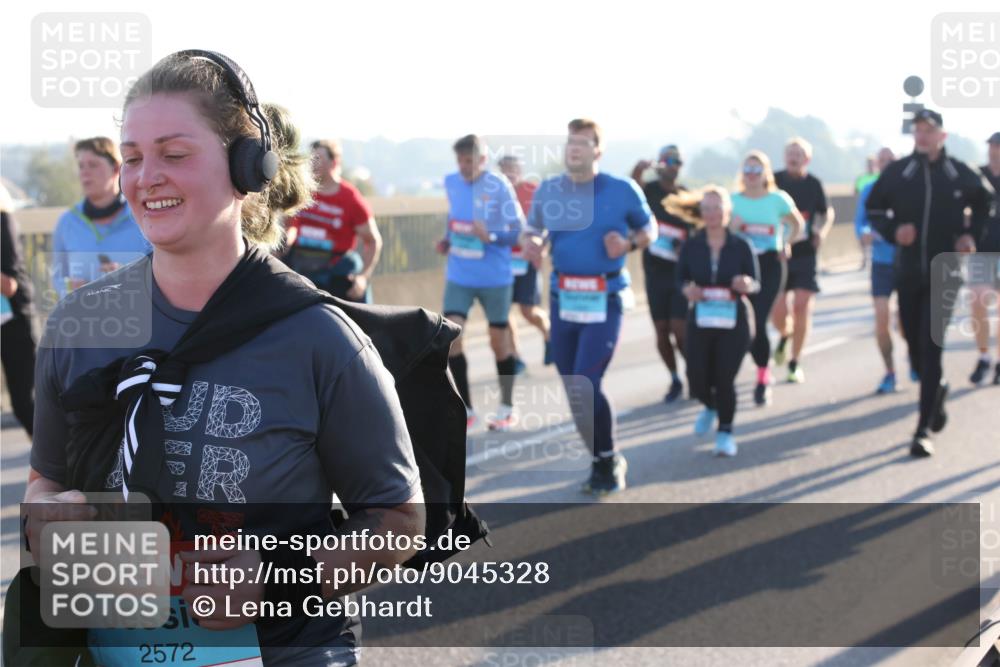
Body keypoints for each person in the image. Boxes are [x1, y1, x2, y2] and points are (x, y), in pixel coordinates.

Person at [24, 50, 423, 666]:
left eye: (174, 155)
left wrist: (276, 577)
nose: (144, 176)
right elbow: (48, 483)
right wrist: (47, 526)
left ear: (247, 167)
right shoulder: (80, 324)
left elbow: (399, 520)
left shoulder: (318, 337)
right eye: (132, 158)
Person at [521, 118, 655, 495]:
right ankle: (601, 459)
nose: (573, 148)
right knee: (574, 389)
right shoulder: (549, 190)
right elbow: (533, 229)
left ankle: (608, 458)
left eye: (582, 142)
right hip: (563, 300)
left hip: (604, 299)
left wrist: (629, 243)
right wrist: (532, 242)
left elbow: (650, 229)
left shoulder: (622, 189)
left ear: (598, 150)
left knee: (587, 382)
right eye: (569, 142)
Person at [865, 109, 996, 457]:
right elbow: (874, 208)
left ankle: (922, 430)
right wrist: (894, 232)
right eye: (918, 130)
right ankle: (935, 391)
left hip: (945, 271)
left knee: (932, 345)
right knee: (914, 348)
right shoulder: (899, 172)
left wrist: (969, 234)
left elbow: (986, 202)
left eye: (929, 130)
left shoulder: (958, 173)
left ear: (942, 135)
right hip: (907, 270)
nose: (922, 136)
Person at [437, 135, 524, 431]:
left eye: (470, 162)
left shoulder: (498, 185)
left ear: (483, 160)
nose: (464, 167)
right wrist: (448, 241)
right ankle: (466, 408)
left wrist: (493, 236)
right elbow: (455, 217)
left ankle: (507, 407)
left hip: (494, 276)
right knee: (451, 336)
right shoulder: (451, 181)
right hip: (460, 274)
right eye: (460, 161)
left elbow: (517, 230)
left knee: (498, 342)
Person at [673, 186, 760, 457]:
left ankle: (725, 432)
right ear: (701, 213)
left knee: (724, 378)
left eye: (717, 207)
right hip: (702, 319)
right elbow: (680, 279)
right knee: (696, 377)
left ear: (728, 211)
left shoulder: (742, 245)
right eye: (707, 208)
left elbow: (756, 283)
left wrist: (745, 284)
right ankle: (709, 406)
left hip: (734, 321)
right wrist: (688, 289)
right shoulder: (692, 245)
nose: (712, 213)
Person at [731, 150, 803, 406]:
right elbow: (720, 233)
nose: (751, 175)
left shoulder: (777, 199)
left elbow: (797, 225)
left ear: (766, 174)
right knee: (746, 322)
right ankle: (751, 367)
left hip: (771, 263)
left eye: (757, 170)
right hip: (742, 266)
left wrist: (787, 242)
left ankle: (763, 376)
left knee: (759, 320)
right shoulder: (733, 201)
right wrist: (734, 228)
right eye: (747, 170)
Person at [282, 139, 382, 303]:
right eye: (311, 159)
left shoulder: (350, 198)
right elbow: (289, 226)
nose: (313, 164)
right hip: (303, 263)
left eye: (318, 159)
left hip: (335, 268)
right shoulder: (302, 191)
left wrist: (363, 277)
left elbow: (373, 241)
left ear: (333, 162)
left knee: (353, 276)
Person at [631, 144, 693, 403]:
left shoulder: (687, 197)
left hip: (679, 273)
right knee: (661, 330)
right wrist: (638, 169)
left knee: (680, 329)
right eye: (668, 160)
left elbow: (699, 232)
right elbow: (632, 192)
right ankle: (674, 378)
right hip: (655, 272)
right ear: (660, 163)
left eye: (677, 161)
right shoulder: (651, 191)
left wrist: (686, 247)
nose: (673, 165)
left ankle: (695, 372)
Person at [52, 136, 151, 297]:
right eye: (81, 166)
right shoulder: (67, 222)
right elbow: (58, 278)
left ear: (115, 169)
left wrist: (127, 279)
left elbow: (163, 276)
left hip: (138, 317)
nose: (85, 172)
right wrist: (70, 289)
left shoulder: (143, 216)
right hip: (83, 318)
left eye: (93, 165)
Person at [772, 137, 834, 383]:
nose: (794, 157)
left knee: (801, 308)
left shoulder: (814, 184)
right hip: (778, 254)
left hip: (805, 253)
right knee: (778, 311)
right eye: (790, 152)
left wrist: (822, 232)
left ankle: (794, 362)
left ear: (806, 159)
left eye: (799, 153)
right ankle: (785, 336)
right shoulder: (774, 181)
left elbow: (827, 211)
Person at [855, 148, 910, 394]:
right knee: (881, 318)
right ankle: (890, 372)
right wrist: (864, 233)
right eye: (882, 160)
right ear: (876, 164)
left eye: (892, 160)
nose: (887, 164)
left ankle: (914, 356)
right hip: (881, 263)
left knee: (907, 321)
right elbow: (860, 221)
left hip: (907, 262)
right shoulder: (870, 190)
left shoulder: (909, 188)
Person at [498, 154, 551, 368]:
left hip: (526, 259)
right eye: (504, 169)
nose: (509, 174)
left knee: (527, 311)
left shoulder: (533, 191)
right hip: (502, 260)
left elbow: (547, 223)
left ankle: (548, 335)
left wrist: (542, 248)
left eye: (513, 169)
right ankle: (516, 356)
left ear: (521, 171)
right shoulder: (493, 192)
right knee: (503, 310)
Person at [1, 184, 36, 437]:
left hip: (15, 322)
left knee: (25, 403)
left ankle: (59, 467)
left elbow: (9, 285)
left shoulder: (4, 220)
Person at [967, 132, 1000, 385]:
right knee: (978, 299)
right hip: (982, 250)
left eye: (997, 146)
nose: (993, 150)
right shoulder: (976, 176)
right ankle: (984, 356)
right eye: (991, 146)